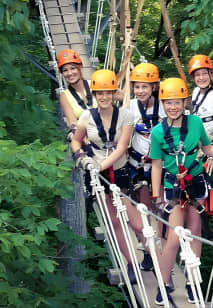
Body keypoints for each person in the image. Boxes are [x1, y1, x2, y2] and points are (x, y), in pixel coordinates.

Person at [149, 78, 213, 305]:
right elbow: (156, 164)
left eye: (176, 102)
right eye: (168, 103)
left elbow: (207, 148)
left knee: (195, 234)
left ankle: (193, 283)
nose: (172, 107)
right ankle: (164, 283)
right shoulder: (157, 132)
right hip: (172, 187)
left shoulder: (195, 123)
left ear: (185, 102)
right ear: (162, 104)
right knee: (173, 237)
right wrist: (156, 196)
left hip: (195, 182)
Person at [71, 69, 144, 284]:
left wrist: (99, 166)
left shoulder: (126, 116)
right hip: (96, 175)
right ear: (94, 94)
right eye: (99, 93)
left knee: (136, 223)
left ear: (114, 94)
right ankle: (131, 262)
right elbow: (76, 140)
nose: (103, 97)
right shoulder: (86, 116)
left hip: (117, 172)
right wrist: (82, 157)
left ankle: (151, 254)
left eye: (108, 93)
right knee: (113, 221)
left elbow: (121, 148)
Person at [128, 62, 166, 272]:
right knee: (143, 210)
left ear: (154, 87)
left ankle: (161, 252)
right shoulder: (131, 107)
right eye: (137, 87)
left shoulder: (166, 105)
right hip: (139, 166)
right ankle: (148, 252)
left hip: (160, 165)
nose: (140, 91)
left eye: (145, 86)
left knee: (159, 209)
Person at [57, 49, 97, 139]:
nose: (69, 73)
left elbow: (123, 96)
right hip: (86, 137)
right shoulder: (64, 96)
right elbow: (73, 123)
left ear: (80, 67)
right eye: (65, 70)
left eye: (73, 68)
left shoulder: (95, 84)